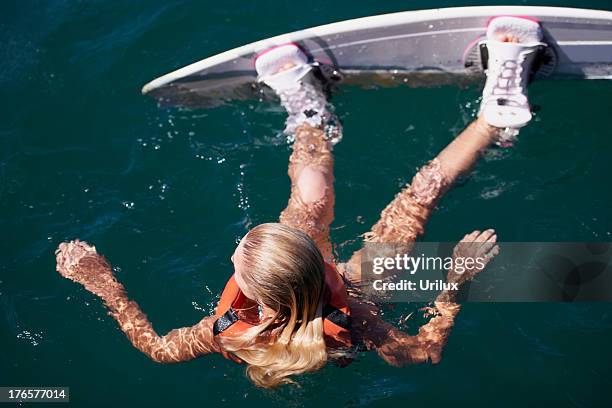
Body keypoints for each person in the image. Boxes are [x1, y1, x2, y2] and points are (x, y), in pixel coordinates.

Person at [55, 16, 544, 388]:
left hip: (311, 299)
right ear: (317, 264)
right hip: (354, 294)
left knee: (308, 202)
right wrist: (453, 286)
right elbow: (423, 353)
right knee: (418, 197)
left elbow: (158, 349)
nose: (234, 252)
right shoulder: (356, 315)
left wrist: (105, 286)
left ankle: (310, 113)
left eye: (238, 256)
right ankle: (495, 119)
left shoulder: (226, 330)